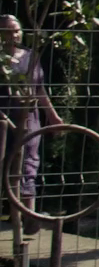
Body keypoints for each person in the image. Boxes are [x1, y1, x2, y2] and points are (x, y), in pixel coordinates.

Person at [1, 14, 62, 237]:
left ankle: (29, 216)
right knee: (5, 165)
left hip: (29, 119)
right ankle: (15, 213)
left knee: (29, 165)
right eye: (7, 31)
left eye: (16, 30)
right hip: (4, 121)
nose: (13, 35)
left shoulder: (31, 57)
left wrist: (53, 116)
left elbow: (39, 89)